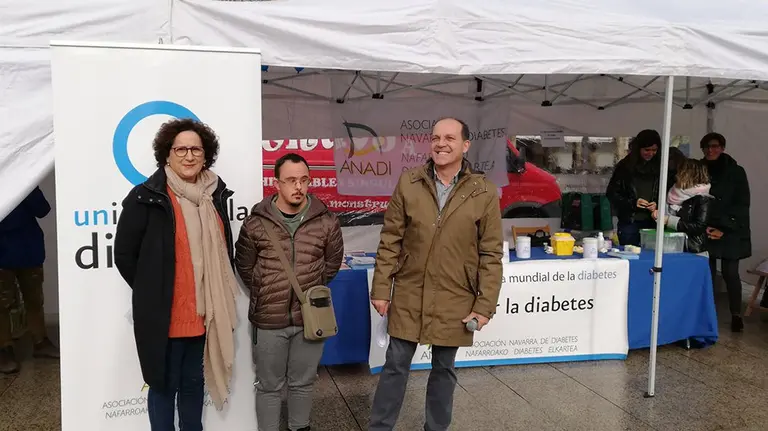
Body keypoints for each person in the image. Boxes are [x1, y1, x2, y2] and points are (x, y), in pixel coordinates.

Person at [368, 117, 503, 431]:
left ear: (465, 145)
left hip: (456, 295)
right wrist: (380, 288)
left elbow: (491, 255)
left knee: (444, 368)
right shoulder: (409, 182)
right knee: (396, 364)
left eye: (450, 138)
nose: (441, 144)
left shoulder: (483, 191)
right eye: (436, 138)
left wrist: (484, 306)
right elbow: (391, 240)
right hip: (411, 290)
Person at [114, 119, 239, 431]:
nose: (188, 155)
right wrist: (154, 289)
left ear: (205, 154)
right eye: (180, 149)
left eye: (195, 148)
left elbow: (224, 250)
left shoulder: (214, 195)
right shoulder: (146, 197)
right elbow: (125, 256)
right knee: (162, 386)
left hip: (202, 313)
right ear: (166, 155)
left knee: (193, 383)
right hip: (163, 316)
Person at [235, 152, 344, 431]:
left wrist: (309, 295)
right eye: (291, 180)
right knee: (269, 386)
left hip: (310, 318)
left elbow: (331, 265)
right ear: (276, 183)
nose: (298, 187)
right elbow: (245, 268)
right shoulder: (256, 223)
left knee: (303, 382)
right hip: (269, 320)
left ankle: (299, 427)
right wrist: (267, 293)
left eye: (304, 180)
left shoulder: (326, 221)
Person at [0, 186, 59, 374]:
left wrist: (26, 187)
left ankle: (40, 342)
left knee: (34, 299)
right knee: (2, 303)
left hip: (28, 248)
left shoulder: (25, 177)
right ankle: (4, 349)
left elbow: (43, 209)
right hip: (2, 251)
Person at [699, 132, 751, 332]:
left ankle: (736, 314)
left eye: (714, 146)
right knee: (707, 273)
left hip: (730, 228)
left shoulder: (736, 171)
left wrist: (724, 227)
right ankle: (708, 314)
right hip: (706, 226)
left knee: (730, 273)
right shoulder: (699, 169)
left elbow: (742, 203)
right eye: (707, 147)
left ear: (722, 148)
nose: (710, 150)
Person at [607, 129, 670, 246]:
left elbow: (667, 190)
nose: (651, 153)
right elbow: (612, 193)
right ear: (638, 148)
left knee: (652, 257)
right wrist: (633, 203)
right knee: (630, 255)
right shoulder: (624, 167)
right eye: (647, 150)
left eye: (654, 150)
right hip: (630, 221)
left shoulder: (662, 166)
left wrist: (657, 203)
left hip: (654, 220)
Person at [652, 158, 712, 254]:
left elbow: (698, 226)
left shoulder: (702, 198)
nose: (677, 174)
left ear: (688, 174)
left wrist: (668, 220)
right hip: (670, 245)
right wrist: (657, 215)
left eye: (680, 171)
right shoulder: (673, 191)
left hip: (692, 248)